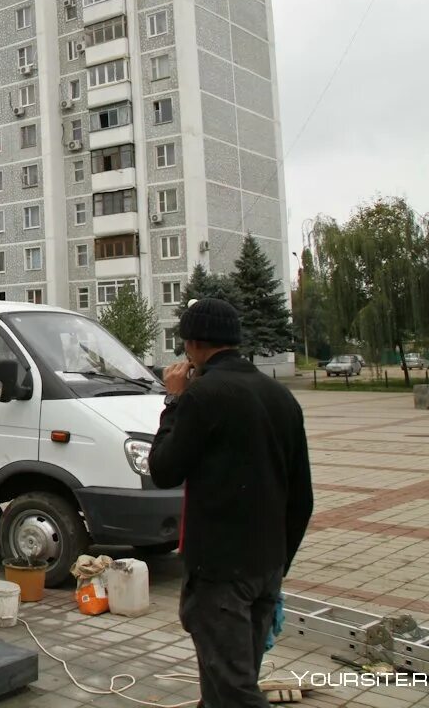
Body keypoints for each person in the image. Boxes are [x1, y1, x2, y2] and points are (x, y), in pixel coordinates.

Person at [148, 298, 313, 707]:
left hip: (220, 572)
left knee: (235, 691)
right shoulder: (281, 397)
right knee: (225, 681)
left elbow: (164, 469)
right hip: (266, 566)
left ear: (192, 346)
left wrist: (172, 402)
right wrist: (278, 563)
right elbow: (303, 497)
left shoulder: (203, 395)